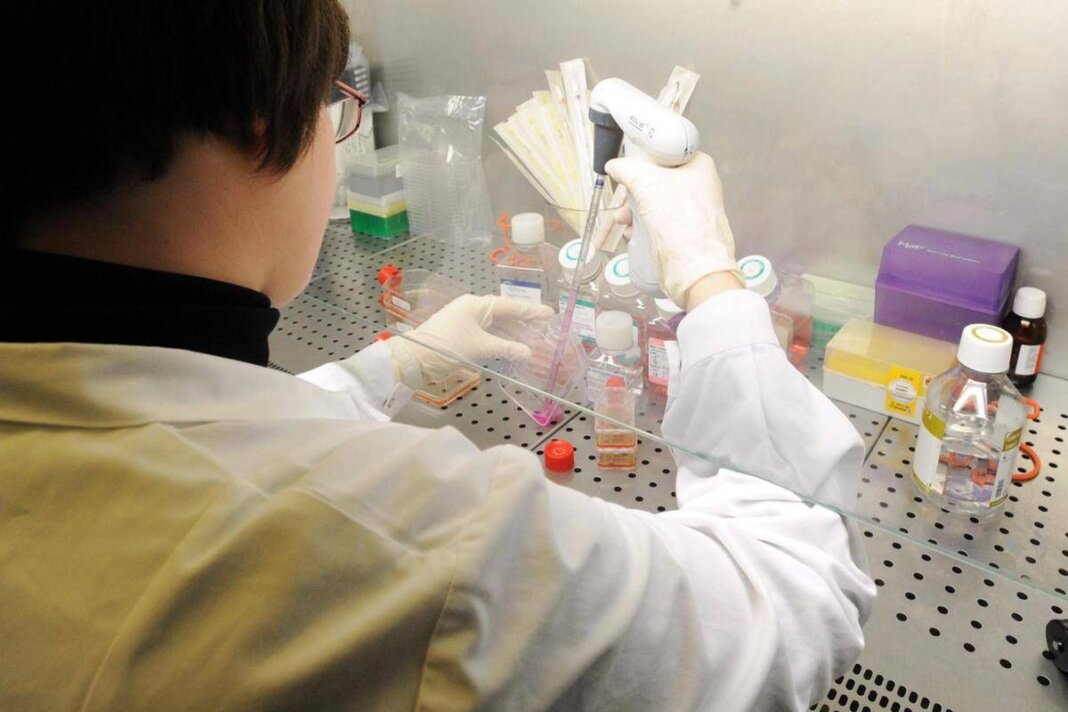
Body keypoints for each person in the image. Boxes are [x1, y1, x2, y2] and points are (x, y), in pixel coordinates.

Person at [0, 2, 874, 710]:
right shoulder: (423, 545)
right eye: (334, 108)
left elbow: (183, 434)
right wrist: (712, 280)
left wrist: (394, 366)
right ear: (254, 126)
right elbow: (789, 600)